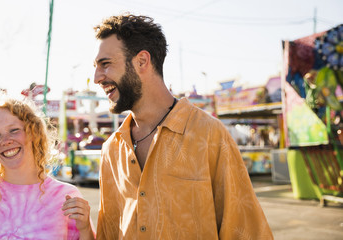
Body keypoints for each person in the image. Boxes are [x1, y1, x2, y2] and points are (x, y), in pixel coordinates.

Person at [93, 13, 273, 239]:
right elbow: (108, 232)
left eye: (105, 64)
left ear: (141, 61)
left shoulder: (208, 134)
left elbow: (246, 230)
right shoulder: (112, 149)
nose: (97, 77)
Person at [0, 96, 95, 240]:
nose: (6, 141)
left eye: (14, 130)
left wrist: (85, 229)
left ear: (33, 133)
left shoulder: (66, 197)